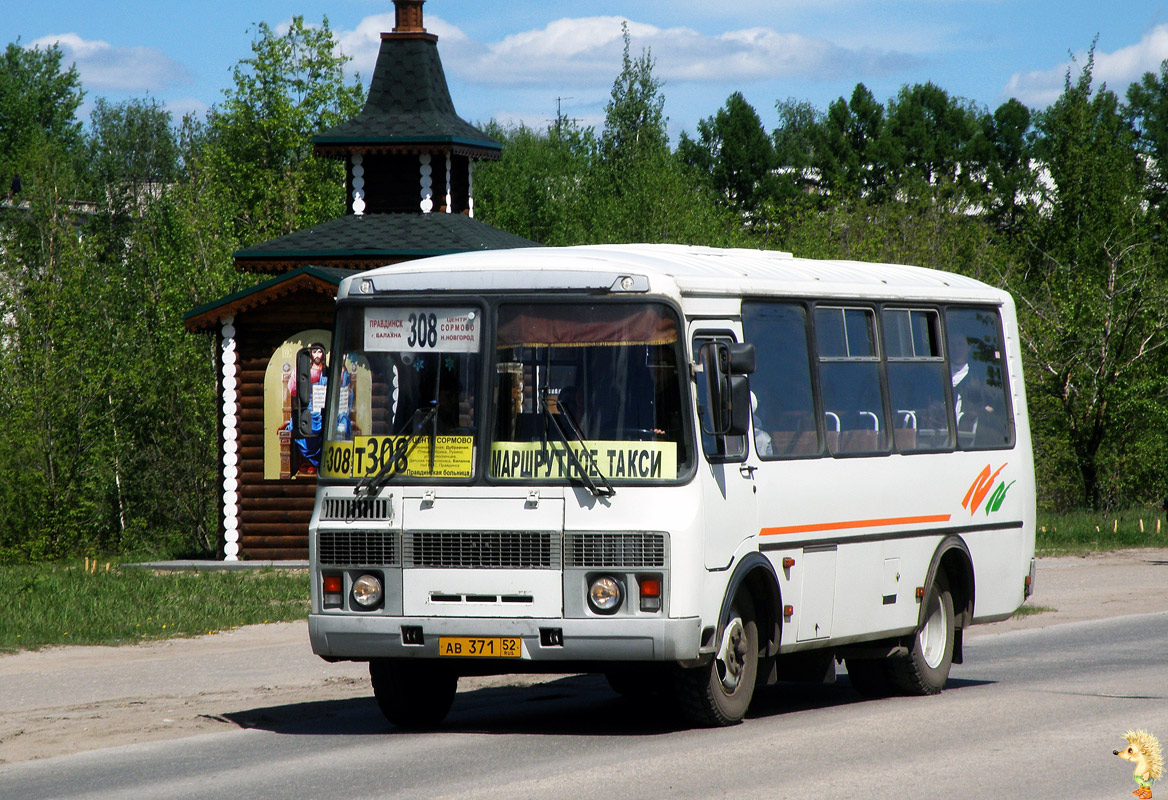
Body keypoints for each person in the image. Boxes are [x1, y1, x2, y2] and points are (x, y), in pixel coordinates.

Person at [286, 343, 327, 475]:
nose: (317, 355)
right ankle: (310, 461)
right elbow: (292, 390)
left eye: (319, 352)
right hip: (309, 407)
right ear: (310, 354)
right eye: (314, 352)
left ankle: (321, 462)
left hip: (325, 409)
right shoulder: (305, 371)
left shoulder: (327, 372)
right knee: (301, 426)